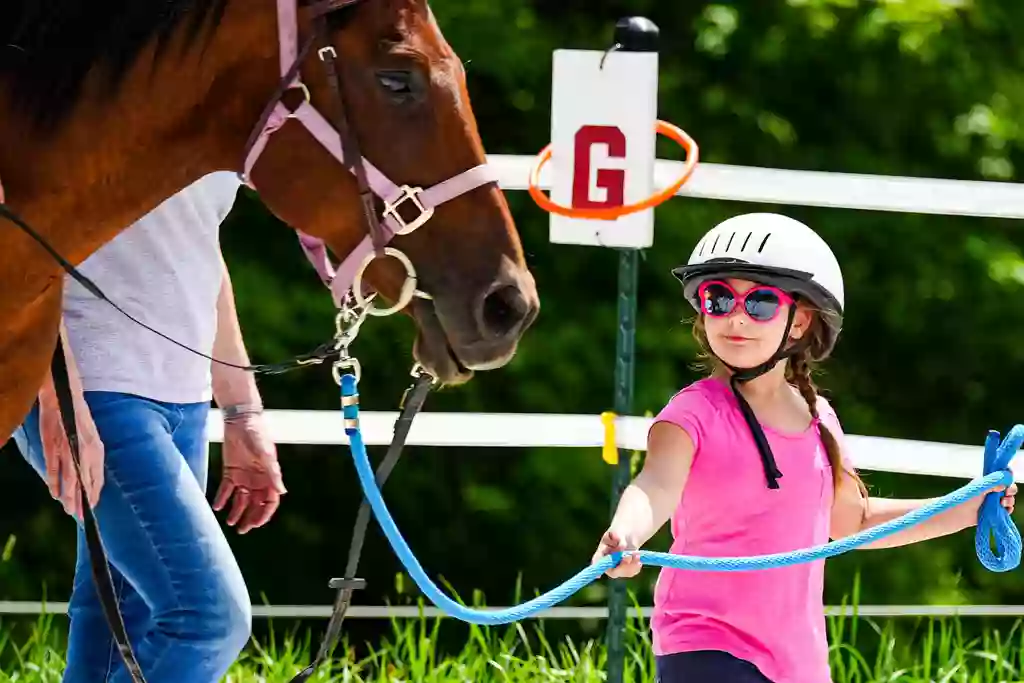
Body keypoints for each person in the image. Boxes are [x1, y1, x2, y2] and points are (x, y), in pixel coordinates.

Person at [591, 212, 1017, 683]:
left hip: (797, 663)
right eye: (718, 299)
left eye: (759, 304)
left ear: (800, 322)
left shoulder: (820, 421)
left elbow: (853, 520)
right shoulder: (690, 416)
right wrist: (626, 532)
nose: (735, 317)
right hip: (706, 645)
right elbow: (654, 486)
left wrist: (968, 508)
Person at [12, 171, 287, 683]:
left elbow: (200, 240)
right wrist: (61, 399)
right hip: (91, 385)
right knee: (208, 619)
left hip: (183, 395)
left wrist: (241, 409)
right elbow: (16, 229)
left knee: (121, 626)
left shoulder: (210, 98)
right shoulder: (63, 91)